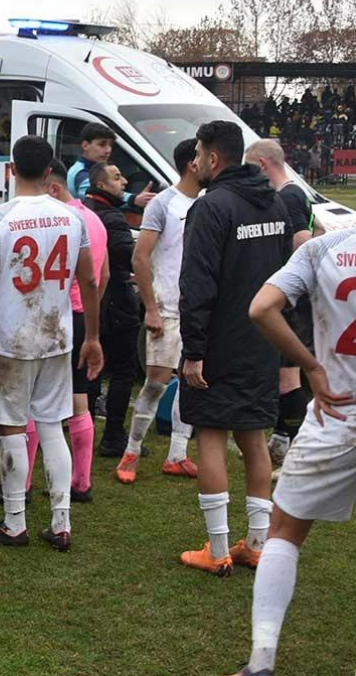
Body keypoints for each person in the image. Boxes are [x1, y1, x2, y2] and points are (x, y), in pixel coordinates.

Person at [0, 136, 102, 552]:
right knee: (51, 425)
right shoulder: (72, 216)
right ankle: (61, 523)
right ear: (49, 172)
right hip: (57, 336)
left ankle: (14, 523)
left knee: (11, 427)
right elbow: (89, 281)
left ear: (12, 170)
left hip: (10, 338)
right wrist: (92, 336)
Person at [236, 229, 356, 676]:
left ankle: (261, 661)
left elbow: (261, 308)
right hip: (336, 416)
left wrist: (310, 366)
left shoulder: (324, 247)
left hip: (337, 414)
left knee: (285, 531)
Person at [178, 120, 291, 577]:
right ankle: (258, 546)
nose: (195, 161)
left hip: (219, 343)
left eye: (199, 154)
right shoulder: (277, 204)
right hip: (263, 340)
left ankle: (220, 549)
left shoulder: (211, 209)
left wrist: (193, 349)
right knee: (254, 439)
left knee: (210, 434)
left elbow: (197, 285)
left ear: (213, 158)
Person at [119, 138, 202, 482]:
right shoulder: (164, 204)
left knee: (192, 382)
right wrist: (150, 308)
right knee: (156, 383)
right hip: (166, 309)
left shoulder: (211, 203)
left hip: (198, 310)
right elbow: (140, 256)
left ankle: (178, 454)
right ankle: (131, 453)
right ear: (192, 164)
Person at [246, 138, 313, 469]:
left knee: (289, 379)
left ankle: (293, 451)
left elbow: (302, 239)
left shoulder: (287, 196)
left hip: (290, 301)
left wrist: (288, 278)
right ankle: (283, 441)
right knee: (287, 376)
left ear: (261, 165)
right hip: (292, 299)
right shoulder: (298, 193)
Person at [83, 162, 141, 458]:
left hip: (89, 302)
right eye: (117, 177)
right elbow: (128, 257)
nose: (124, 181)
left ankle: (87, 431)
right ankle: (113, 435)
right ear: (102, 185)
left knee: (92, 369)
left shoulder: (84, 210)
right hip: (116, 302)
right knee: (122, 370)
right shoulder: (112, 218)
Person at [65, 124, 155, 209]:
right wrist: (134, 199)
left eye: (110, 145)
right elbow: (103, 195)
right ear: (85, 145)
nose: (108, 150)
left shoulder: (97, 167)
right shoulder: (81, 173)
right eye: (102, 144)